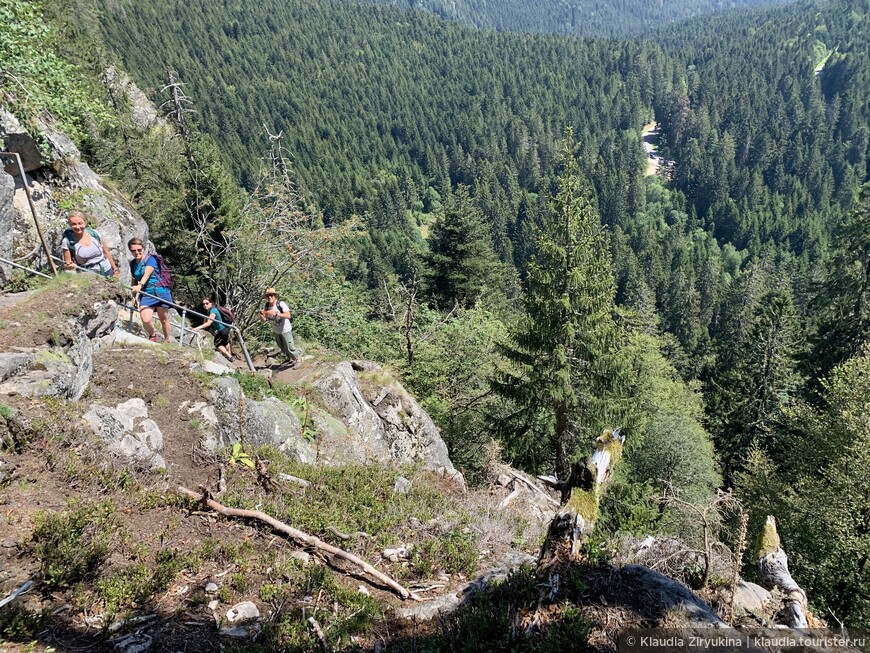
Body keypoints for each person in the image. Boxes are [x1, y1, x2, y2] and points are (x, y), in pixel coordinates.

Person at [127, 238, 173, 342]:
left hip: (160, 291)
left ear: (143, 248)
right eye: (133, 250)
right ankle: (153, 335)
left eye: (139, 249)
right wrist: (134, 297)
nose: (137, 252)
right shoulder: (133, 263)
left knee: (163, 319)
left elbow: (147, 274)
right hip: (147, 293)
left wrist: (140, 285)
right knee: (145, 319)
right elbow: (134, 280)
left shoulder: (150, 259)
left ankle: (166, 340)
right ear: (130, 251)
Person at [60, 210, 120, 279]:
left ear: (85, 223)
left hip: (107, 270)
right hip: (89, 276)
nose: (77, 227)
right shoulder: (67, 241)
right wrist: (70, 266)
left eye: (80, 223)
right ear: (70, 225)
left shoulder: (94, 233)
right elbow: (68, 263)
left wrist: (115, 270)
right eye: (74, 224)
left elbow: (106, 252)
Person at [260, 287, 301, 368]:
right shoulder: (267, 306)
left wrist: (276, 314)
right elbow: (264, 320)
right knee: (282, 347)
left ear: (275, 296)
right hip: (276, 330)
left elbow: (288, 315)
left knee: (290, 347)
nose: (270, 297)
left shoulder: (280, 304)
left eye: (271, 295)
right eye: (268, 296)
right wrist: (261, 315)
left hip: (285, 329)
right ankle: (289, 359)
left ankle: (298, 359)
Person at [191, 297, 235, 362]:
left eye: (207, 303)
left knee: (217, 344)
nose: (205, 305)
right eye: (203, 304)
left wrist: (196, 328)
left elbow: (209, 323)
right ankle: (230, 357)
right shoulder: (213, 309)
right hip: (226, 328)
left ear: (211, 303)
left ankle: (230, 357)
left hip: (222, 330)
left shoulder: (213, 311)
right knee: (225, 343)